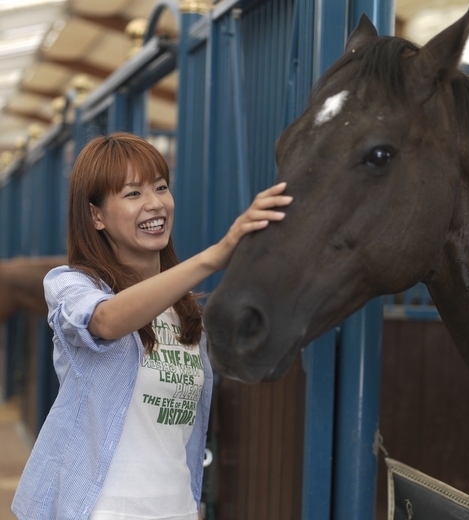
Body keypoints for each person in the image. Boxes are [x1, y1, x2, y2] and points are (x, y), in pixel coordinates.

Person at [11, 132, 292, 520]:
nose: (155, 203)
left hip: (178, 508)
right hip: (102, 511)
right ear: (96, 216)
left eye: (160, 187)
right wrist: (214, 256)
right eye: (133, 194)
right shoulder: (70, 286)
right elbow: (105, 321)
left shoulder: (188, 313)